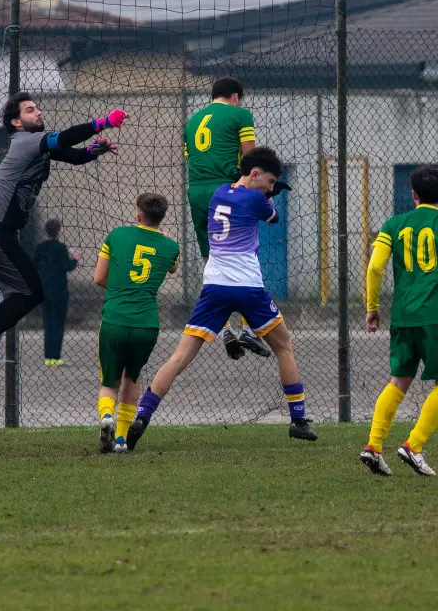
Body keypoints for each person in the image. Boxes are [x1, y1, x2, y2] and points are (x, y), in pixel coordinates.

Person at [0, 92, 125, 380]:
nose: (38, 112)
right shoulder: (27, 142)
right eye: (30, 110)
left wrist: (93, 151)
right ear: (16, 122)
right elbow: (63, 139)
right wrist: (101, 123)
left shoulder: (35, 146)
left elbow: (71, 155)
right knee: (30, 292)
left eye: (37, 108)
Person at [126, 147, 317, 449]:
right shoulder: (257, 198)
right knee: (284, 348)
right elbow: (274, 218)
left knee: (179, 357)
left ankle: (143, 415)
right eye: (269, 181)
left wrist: (263, 191)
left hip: (214, 285)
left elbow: (247, 200)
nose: (271, 186)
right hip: (247, 287)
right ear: (254, 174)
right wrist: (268, 195)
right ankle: (298, 420)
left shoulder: (218, 193)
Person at [184, 77, 270, 360]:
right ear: (235, 96)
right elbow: (250, 159)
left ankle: (223, 329)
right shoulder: (240, 114)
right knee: (245, 250)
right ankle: (248, 327)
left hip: (197, 191)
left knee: (212, 259)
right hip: (227, 189)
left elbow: (193, 158)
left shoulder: (192, 121)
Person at [361, 165, 438, 477]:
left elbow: (375, 267)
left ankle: (373, 447)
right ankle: (414, 445)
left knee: (398, 381)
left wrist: (373, 307)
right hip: (434, 315)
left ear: (414, 194)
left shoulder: (394, 224)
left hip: (403, 316)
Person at [93, 194, 180, 454]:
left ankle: (106, 415)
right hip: (147, 324)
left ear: (138, 214)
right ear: (161, 217)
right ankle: (120, 438)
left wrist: (120, 290)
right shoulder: (171, 247)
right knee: (132, 377)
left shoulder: (116, 235)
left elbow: (99, 278)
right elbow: (173, 269)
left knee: (109, 380)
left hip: (115, 318)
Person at [33, 218, 78, 365]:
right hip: (59, 289)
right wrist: (75, 259)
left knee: (48, 323)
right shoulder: (61, 248)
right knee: (58, 323)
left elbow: (35, 264)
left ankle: (47, 357)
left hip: (44, 289)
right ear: (58, 231)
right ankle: (56, 357)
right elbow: (66, 266)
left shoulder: (40, 247)